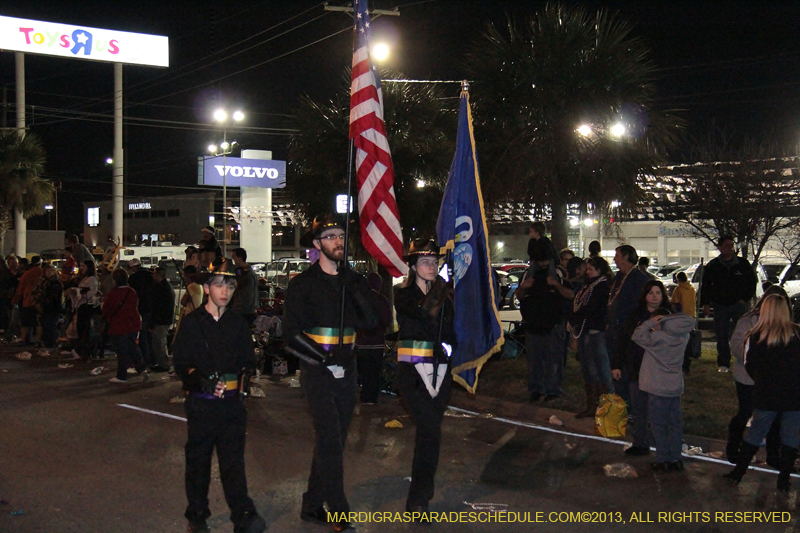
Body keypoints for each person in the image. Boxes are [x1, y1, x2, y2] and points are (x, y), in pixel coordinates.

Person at [283, 213, 378, 532]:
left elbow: (370, 322)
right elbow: (291, 334)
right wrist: (323, 358)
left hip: (347, 367)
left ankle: (311, 504)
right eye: (330, 237)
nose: (338, 241)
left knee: (333, 441)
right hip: (317, 369)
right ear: (316, 244)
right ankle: (338, 508)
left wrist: (356, 291)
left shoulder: (353, 280)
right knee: (328, 437)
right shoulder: (303, 284)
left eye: (341, 236)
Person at [172, 262, 266, 533]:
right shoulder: (192, 323)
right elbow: (181, 362)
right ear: (206, 288)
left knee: (233, 463)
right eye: (218, 285)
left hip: (232, 407)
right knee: (198, 462)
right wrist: (202, 382)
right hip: (201, 405)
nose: (225, 291)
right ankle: (197, 514)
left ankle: (242, 514)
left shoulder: (237, 323)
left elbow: (248, 360)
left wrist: (246, 378)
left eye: (231, 285)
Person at [394, 239, 455, 517]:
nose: (432, 267)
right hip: (412, 372)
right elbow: (422, 310)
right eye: (425, 262)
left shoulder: (446, 296)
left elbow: (452, 329)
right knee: (429, 428)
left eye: (435, 262)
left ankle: (421, 495)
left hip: (440, 371)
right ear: (413, 267)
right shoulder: (402, 294)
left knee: (431, 434)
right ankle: (419, 498)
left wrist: (450, 346)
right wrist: (443, 284)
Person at [724, 294, 800, 493]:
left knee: (756, 432)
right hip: (794, 394)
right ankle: (784, 480)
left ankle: (738, 473)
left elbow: (749, 365)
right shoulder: (797, 334)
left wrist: (763, 381)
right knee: (790, 436)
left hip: (766, 393)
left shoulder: (755, 336)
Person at [612, 280, 672, 457]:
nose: (654, 296)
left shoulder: (670, 316)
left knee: (660, 409)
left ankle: (665, 445)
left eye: (658, 292)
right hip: (638, 369)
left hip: (661, 370)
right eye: (651, 292)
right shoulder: (636, 316)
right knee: (639, 408)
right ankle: (640, 442)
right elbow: (623, 340)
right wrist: (616, 364)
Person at [633, 307, 695, 471]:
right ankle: (676, 458)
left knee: (658, 425)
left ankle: (662, 459)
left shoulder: (657, 338)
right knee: (674, 424)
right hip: (674, 387)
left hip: (657, 387)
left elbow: (637, 334)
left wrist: (650, 322)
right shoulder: (684, 336)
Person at [517, 240, 569, 402]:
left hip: (553, 323)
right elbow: (519, 296)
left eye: (545, 260)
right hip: (533, 323)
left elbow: (569, 294)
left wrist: (555, 285)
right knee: (535, 360)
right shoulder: (528, 274)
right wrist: (524, 287)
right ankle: (537, 388)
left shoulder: (558, 274)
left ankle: (552, 389)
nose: (543, 264)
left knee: (553, 360)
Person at [701, 236, 757, 372]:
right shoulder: (713, 266)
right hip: (721, 305)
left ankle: (746, 357)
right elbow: (706, 286)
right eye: (726, 245)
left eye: (731, 245)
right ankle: (723, 363)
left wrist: (745, 298)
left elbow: (751, 282)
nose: (730, 248)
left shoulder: (742, 264)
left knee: (744, 332)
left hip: (739, 304)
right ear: (720, 247)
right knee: (721, 334)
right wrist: (706, 303)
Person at [569, 257, 613, 417]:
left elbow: (591, 308)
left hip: (595, 331)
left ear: (599, 270)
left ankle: (607, 407)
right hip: (585, 330)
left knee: (600, 369)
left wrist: (576, 314)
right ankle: (592, 405)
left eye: (590, 269)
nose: (587, 272)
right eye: (587, 269)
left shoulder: (602, 286)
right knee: (588, 369)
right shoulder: (586, 286)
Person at [607, 245, 649, 404]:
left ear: (625, 257)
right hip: (614, 331)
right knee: (615, 369)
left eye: (617, 255)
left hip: (628, 332)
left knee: (626, 371)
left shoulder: (639, 279)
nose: (614, 259)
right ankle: (620, 405)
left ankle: (631, 406)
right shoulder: (617, 278)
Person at [102, 268, 148, 384]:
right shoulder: (131, 291)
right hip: (133, 323)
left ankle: (122, 375)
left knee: (121, 351)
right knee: (133, 348)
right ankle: (142, 369)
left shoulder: (113, 293)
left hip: (119, 325)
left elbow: (106, 309)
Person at [356, 272, 392, 404]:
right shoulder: (382, 300)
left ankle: (364, 395)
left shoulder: (360, 298)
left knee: (363, 371)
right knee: (375, 371)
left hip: (361, 342)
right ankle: (373, 396)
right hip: (377, 342)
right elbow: (387, 319)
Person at [127, 258, 155, 368]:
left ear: (133, 268)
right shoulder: (151, 275)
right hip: (152, 308)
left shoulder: (134, 278)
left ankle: (145, 359)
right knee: (151, 335)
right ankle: (153, 359)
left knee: (143, 336)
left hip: (141, 309)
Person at [70, 260, 100, 361]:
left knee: (85, 329)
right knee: (81, 329)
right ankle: (83, 351)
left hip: (86, 306)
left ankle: (86, 351)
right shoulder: (85, 278)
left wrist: (81, 293)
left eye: (83, 266)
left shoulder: (91, 279)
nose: (81, 268)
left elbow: (92, 291)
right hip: (81, 305)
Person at [12, 255, 43, 346]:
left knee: (25, 323)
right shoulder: (42, 273)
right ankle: (37, 340)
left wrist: (15, 300)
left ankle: (23, 340)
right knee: (38, 323)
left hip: (27, 301)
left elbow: (20, 288)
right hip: (39, 302)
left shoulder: (27, 274)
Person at [33, 263, 63, 356]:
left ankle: (51, 344)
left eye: (51, 271)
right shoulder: (41, 281)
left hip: (53, 308)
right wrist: (36, 303)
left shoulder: (56, 283)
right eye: (48, 271)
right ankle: (46, 343)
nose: (49, 273)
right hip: (43, 307)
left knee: (51, 326)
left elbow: (55, 297)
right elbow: (35, 293)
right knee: (44, 325)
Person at [149, 267, 175, 372]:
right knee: (158, 342)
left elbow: (160, 307)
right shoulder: (165, 287)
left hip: (162, 320)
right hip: (164, 319)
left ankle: (163, 364)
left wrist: (154, 321)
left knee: (160, 342)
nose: (153, 276)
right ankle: (161, 363)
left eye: (155, 274)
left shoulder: (163, 288)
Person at [229, 248, 259, 325]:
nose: (233, 261)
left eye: (234, 258)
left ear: (239, 258)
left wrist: (237, 309)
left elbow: (247, 295)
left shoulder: (247, 275)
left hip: (245, 312)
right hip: (243, 311)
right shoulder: (241, 272)